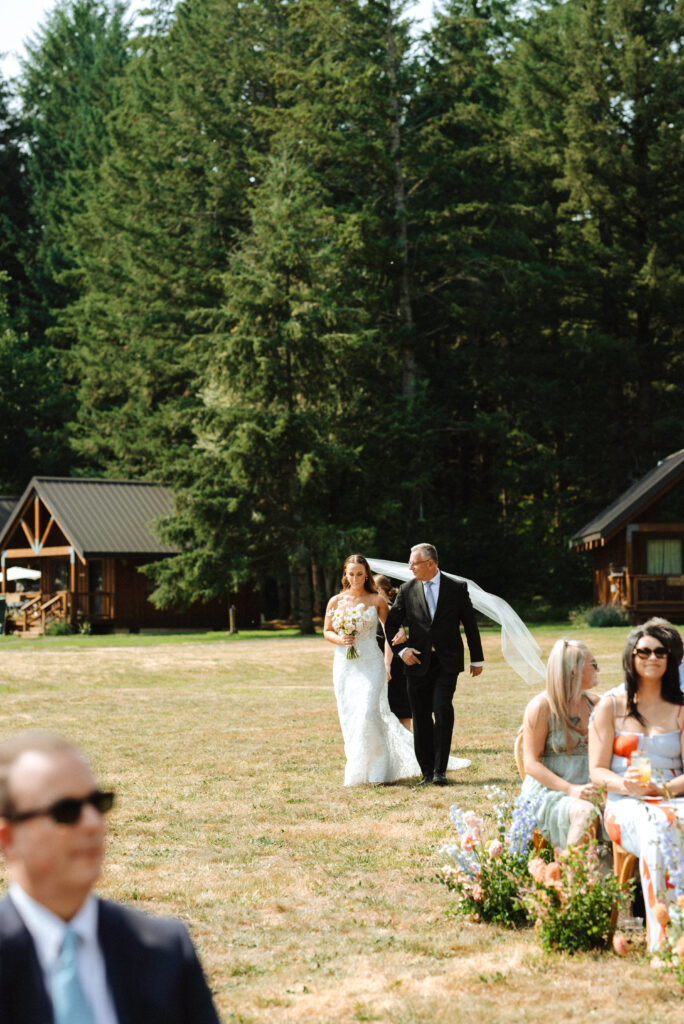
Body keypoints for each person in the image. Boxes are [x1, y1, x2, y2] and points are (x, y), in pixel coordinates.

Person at [0, 730, 220, 1023]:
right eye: (66, 811)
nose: (93, 824)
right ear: (8, 839)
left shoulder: (164, 951)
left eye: (98, 803)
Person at [324, 554, 468, 786]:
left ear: (367, 574)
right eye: (351, 574)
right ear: (345, 575)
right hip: (345, 665)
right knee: (350, 716)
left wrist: (400, 634)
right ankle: (359, 767)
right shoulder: (335, 601)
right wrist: (341, 640)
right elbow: (327, 630)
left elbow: (391, 625)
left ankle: (379, 767)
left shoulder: (376, 600)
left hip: (371, 662)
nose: (355, 578)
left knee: (369, 711)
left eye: (360, 574)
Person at [589, 623, 684, 950]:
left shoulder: (681, 707)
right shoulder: (611, 705)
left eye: (661, 652)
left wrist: (666, 790)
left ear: (671, 660)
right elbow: (597, 771)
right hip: (624, 804)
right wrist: (625, 785)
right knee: (657, 827)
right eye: (643, 651)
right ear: (631, 657)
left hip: (673, 796)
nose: (652, 657)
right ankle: (667, 941)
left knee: (670, 822)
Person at [385, 543, 484, 786]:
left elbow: (470, 624)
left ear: (431, 563)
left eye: (414, 563)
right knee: (420, 716)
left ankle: (440, 771)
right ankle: (427, 772)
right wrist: (402, 650)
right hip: (417, 661)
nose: (410, 567)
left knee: (442, 709)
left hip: (447, 661)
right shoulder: (407, 590)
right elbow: (390, 623)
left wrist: (477, 657)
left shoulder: (456, 588)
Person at [519, 639, 601, 847]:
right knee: (586, 813)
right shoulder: (542, 707)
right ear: (575, 670)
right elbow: (531, 764)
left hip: (590, 790)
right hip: (551, 793)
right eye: (593, 663)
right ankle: (571, 877)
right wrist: (570, 789)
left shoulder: (596, 704)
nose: (598, 668)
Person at [373, 573, 412, 730]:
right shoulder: (379, 609)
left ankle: (407, 741)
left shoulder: (389, 609)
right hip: (386, 661)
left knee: (399, 705)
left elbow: (391, 640)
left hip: (394, 663)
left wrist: (387, 664)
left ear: (380, 590)